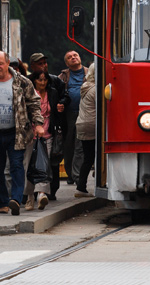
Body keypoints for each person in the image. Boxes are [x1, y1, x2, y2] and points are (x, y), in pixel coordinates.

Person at [0, 50, 44, 216]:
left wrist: (38, 124)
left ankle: (16, 200)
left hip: (17, 132)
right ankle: (2, 202)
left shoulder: (22, 82)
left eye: (0, 63)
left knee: (17, 165)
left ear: (7, 63)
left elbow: (34, 103)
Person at [23, 72, 61, 210]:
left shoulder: (52, 93)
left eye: (45, 80)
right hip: (29, 134)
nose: (43, 82)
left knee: (43, 164)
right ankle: (29, 197)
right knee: (28, 165)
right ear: (34, 80)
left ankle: (41, 194)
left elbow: (56, 111)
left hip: (47, 133)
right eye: (40, 80)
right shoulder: (28, 93)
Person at [57, 50, 85, 184]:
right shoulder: (62, 77)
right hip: (68, 115)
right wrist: (59, 104)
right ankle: (70, 174)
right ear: (66, 63)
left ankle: (77, 174)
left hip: (86, 114)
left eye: (75, 55)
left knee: (81, 144)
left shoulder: (89, 73)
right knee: (68, 145)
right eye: (70, 57)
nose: (73, 58)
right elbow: (56, 94)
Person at [73, 62, 97, 198]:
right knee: (91, 157)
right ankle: (81, 187)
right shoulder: (96, 89)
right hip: (92, 124)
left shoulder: (85, 86)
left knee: (87, 157)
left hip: (82, 123)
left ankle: (81, 186)